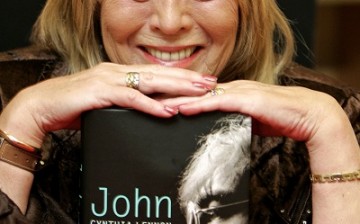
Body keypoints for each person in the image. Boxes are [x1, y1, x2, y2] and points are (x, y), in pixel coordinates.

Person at [0, 0, 359, 223]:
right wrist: (22, 123)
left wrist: (331, 139)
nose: (170, 23)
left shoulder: (337, 113)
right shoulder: (8, 92)